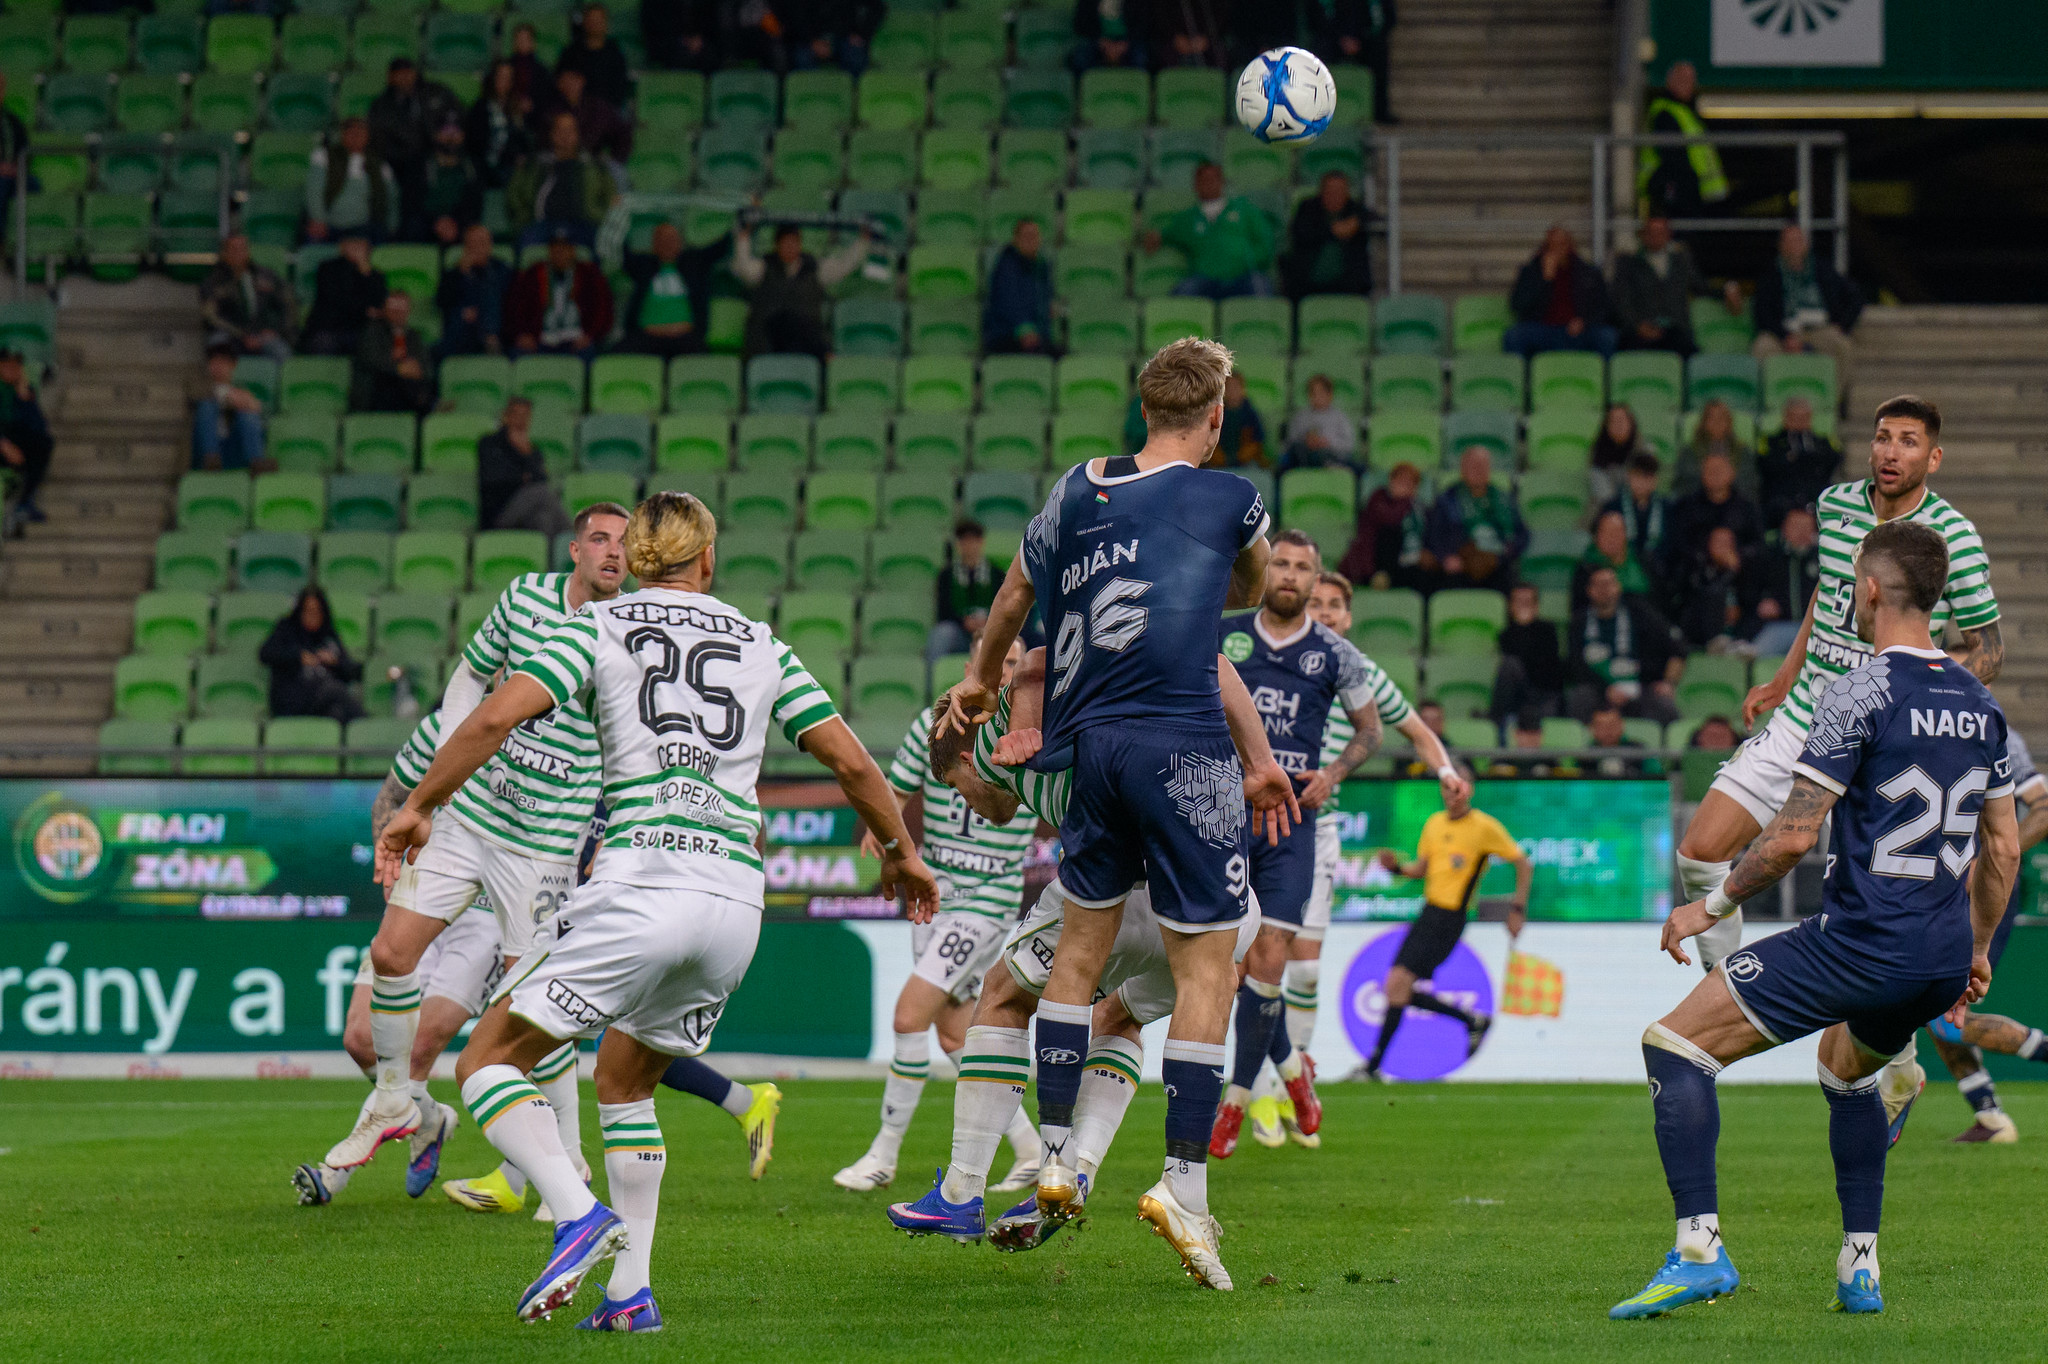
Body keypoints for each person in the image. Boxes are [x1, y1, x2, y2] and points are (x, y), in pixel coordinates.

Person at [383, 493, 938, 1330]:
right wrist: (901, 853)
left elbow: (495, 715)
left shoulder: (598, 625)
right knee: (624, 1080)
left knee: (486, 1062)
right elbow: (856, 765)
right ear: (707, 559)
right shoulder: (762, 642)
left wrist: (421, 804)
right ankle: (629, 1295)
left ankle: (576, 1213)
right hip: (735, 902)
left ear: (638, 560)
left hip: (641, 882)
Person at [937, 337, 1298, 1290]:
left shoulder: (1076, 488)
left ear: (1145, 409)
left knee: (1079, 956)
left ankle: (1056, 1157)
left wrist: (980, 680)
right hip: (1186, 746)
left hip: (1093, 747)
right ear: (1215, 418)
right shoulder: (1231, 496)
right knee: (1207, 970)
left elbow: (1013, 596)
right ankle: (1184, 1188)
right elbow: (1251, 589)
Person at [1611, 519, 2018, 1321]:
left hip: (1862, 944)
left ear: (1868, 589)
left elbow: (1793, 836)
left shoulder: (1859, 689)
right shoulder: (1982, 703)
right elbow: (2002, 848)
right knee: (1845, 1067)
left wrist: (1709, 904)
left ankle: (1700, 1253)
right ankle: (1859, 1267)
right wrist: (1974, 950)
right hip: (1938, 955)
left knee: (1675, 1046)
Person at [888, 642, 1273, 1248]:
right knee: (1119, 1017)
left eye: (960, 790)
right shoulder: (1143, 681)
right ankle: (1082, 1174)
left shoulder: (998, 739)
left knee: (1003, 995)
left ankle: (963, 1192)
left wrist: (1017, 715)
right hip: (1225, 902)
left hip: (1129, 892)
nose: (975, 808)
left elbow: (1035, 660)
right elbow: (1211, 663)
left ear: (966, 758)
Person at [319, 507, 629, 1204]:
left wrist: (608, 830)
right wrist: (455, 757)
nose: (614, 553)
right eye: (601, 539)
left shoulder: (628, 631)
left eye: (625, 544)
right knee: (391, 953)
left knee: (534, 1004)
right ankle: (394, 1100)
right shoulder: (523, 598)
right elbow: (470, 675)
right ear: (575, 549)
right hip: (471, 818)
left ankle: (570, 1160)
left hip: (545, 843)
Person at [1675, 395, 2003, 1037]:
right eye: (1883, 437)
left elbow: (1988, 648)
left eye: (1908, 441)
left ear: (1933, 457)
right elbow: (1828, 592)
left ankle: (1893, 1057)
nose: (1890, 451)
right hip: (1809, 713)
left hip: (1887, 734)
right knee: (1699, 853)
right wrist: (1784, 677)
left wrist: (1921, 695)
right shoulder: (1835, 506)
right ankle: (1727, 990)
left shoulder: (1954, 537)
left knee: (1873, 912)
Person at [1238, 568, 1459, 1147]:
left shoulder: (1360, 673)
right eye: (1318, 603)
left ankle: (1286, 1082)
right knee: (1246, 962)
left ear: (1350, 616)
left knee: (1303, 969)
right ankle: (1261, 1088)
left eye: (1336, 604)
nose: (1327, 612)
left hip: (1316, 827)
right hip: (1245, 818)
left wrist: (1445, 770)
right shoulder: (1266, 659)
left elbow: (1415, 731)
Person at [1209, 531, 1405, 1159]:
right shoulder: (1223, 635)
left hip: (1293, 822)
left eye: (1303, 568)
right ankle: (1294, 1074)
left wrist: (1335, 772)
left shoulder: (1336, 654)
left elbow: (1371, 730)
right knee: (1233, 971)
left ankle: (1234, 1104)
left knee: (1270, 963)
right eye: (1282, 564)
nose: (1291, 575)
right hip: (1224, 815)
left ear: (1316, 581)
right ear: (1265, 573)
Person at [833, 640, 1045, 1194]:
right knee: (954, 1034)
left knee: (909, 1016)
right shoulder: (934, 727)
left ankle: (883, 1155)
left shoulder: (1027, 732)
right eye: (994, 659)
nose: (1002, 669)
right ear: (973, 666)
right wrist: (884, 833)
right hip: (938, 897)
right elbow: (894, 791)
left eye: (1013, 661)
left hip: (988, 901)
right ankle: (1030, 1148)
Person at [1363, 764, 1530, 1077]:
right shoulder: (1434, 823)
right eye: (1446, 787)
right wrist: (1397, 868)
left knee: (1397, 984)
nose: (1451, 794)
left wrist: (1517, 909)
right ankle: (1471, 1021)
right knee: (1396, 986)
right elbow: (1422, 869)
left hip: (1452, 916)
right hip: (1429, 911)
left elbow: (1523, 863)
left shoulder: (1483, 827)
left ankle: (1372, 1067)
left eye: (1458, 787)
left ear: (1470, 790)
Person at [1924, 730, 2048, 1143]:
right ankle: (1989, 1117)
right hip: (1939, 884)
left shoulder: (1995, 732)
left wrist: (1989, 859)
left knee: (1943, 1017)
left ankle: (1991, 1114)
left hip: (1977, 891)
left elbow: (2044, 809)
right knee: (1937, 1011)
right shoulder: (1919, 718)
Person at [731, 221, 871, 360]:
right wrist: (743, 237)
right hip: (767, 342)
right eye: (786, 243)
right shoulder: (763, 267)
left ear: (800, 244)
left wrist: (863, 241)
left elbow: (844, 266)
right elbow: (744, 268)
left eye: (794, 243)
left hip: (806, 344)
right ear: (777, 245)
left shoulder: (814, 268)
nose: (790, 248)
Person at [1751, 225, 1861, 395]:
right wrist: (1785, 336)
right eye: (1789, 241)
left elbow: (1855, 296)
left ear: (1806, 244)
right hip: (1784, 332)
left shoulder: (1823, 269)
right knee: (1761, 347)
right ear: (1781, 246)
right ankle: (1769, 401)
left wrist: (1842, 325)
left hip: (1819, 329)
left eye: (1798, 240)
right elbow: (1762, 312)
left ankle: (1832, 400)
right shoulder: (1770, 274)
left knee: (1843, 346)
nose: (1794, 245)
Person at [1142, 162, 1276, 301]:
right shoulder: (1188, 218)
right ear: (1196, 185)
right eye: (1204, 180)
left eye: (1213, 179)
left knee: (1261, 288)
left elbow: (1265, 241)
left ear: (1222, 182)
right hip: (1204, 280)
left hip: (1242, 277)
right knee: (1182, 293)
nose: (1208, 184)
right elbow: (1166, 234)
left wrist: (1247, 260)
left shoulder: (1244, 209)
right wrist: (1155, 237)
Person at [1567, 565, 1682, 725]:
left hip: (1640, 685)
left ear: (1618, 586)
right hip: (1598, 688)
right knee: (1579, 698)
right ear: (1589, 590)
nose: (1605, 590)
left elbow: (1676, 648)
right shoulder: (1579, 622)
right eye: (1599, 585)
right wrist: (1605, 689)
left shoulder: (1640, 612)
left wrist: (1668, 683)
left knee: (1664, 706)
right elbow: (1575, 664)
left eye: (1609, 583)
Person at [367, 59, 463, 238]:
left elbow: (456, 117)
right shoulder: (382, 105)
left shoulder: (437, 93)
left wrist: (449, 135)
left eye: (408, 72)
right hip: (402, 165)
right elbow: (380, 142)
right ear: (391, 77)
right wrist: (410, 156)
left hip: (440, 157)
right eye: (400, 73)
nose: (405, 77)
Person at [617, 220, 732, 360]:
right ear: (654, 244)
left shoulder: (694, 263)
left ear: (680, 242)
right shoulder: (643, 265)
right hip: (646, 337)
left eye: (672, 239)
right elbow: (620, 251)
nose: (668, 244)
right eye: (663, 240)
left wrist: (737, 222)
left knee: (704, 362)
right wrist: (619, 216)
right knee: (615, 357)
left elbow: (721, 248)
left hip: (685, 337)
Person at [1423, 446, 1527, 593]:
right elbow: (1434, 535)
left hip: (1497, 564)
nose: (1478, 470)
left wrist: (1504, 554)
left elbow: (1522, 534)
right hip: (1460, 564)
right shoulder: (1447, 500)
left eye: (1482, 466)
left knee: (1509, 582)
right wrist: (1445, 557)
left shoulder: (1504, 499)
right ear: (1463, 469)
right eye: (1473, 465)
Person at [506, 111, 618, 248]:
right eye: (560, 130)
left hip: (584, 224)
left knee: (603, 246)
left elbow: (611, 197)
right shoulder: (535, 164)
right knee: (524, 244)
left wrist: (599, 217)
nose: (565, 135)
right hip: (543, 224)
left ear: (577, 134)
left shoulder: (594, 166)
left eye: (570, 130)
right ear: (552, 134)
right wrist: (523, 217)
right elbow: (514, 194)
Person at [1503, 225, 1615, 358]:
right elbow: (1518, 305)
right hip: (1543, 329)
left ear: (1570, 246)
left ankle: (1603, 371)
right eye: (1552, 246)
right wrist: (1544, 280)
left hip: (1579, 330)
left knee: (1606, 336)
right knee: (1514, 336)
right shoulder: (1530, 272)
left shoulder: (1589, 273)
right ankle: (1523, 372)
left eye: (1562, 244)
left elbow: (1603, 307)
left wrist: (1584, 321)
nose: (1557, 250)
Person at [1637, 61, 1728, 220]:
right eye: (1682, 80)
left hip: (1694, 193)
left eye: (1690, 81)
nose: (1688, 85)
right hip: (1675, 191)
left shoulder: (1686, 111)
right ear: (1670, 82)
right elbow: (1672, 156)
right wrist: (1688, 185)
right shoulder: (1665, 111)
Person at [260, 586, 365, 723]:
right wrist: (298, 657)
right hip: (292, 699)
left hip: (320, 702)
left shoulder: (328, 634)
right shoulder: (287, 628)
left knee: (337, 714)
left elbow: (353, 671)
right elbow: (265, 654)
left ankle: (362, 731)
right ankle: (368, 724)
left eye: (317, 612)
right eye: (308, 611)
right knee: (333, 689)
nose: (312, 616)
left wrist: (335, 662)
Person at [506, 230, 614, 360]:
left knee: (591, 355)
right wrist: (522, 334)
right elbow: (515, 307)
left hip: (576, 340)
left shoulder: (589, 274)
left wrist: (590, 336)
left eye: (564, 248)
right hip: (541, 339)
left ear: (573, 250)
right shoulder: (533, 274)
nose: (559, 253)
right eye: (555, 248)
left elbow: (604, 310)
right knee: (517, 355)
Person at [1611, 217, 1703, 357]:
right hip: (1640, 329)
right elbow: (1621, 299)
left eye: (1660, 232)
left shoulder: (1681, 262)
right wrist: (1637, 325)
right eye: (1651, 232)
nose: (1655, 236)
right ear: (1643, 235)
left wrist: (1728, 289)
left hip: (1675, 329)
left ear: (1668, 235)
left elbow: (1701, 287)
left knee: (1691, 354)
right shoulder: (1629, 263)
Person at [476, 396, 568, 535]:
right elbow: (493, 478)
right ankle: (578, 535)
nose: (520, 420)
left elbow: (542, 478)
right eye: (516, 415)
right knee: (541, 493)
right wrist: (521, 477)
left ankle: (557, 548)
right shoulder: (489, 443)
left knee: (544, 519)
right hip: (498, 513)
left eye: (525, 416)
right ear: (506, 416)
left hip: (526, 513)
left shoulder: (531, 449)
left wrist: (526, 454)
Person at [200, 234, 297, 364]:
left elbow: (287, 304)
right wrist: (243, 335)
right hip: (231, 334)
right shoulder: (213, 282)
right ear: (224, 253)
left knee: (282, 352)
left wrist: (276, 330)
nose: (239, 254)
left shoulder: (266, 276)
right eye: (234, 249)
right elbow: (212, 316)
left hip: (263, 333)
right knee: (217, 344)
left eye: (242, 249)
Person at [304, 117, 399, 243]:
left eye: (361, 131)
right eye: (351, 131)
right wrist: (318, 219)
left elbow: (392, 199)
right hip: (327, 225)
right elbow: (314, 190)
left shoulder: (380, 167)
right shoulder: (323, 156)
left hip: (362, 227)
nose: (356, 135)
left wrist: (391, 228)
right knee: (313, 239)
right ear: (342, 134)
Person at [1281, 171, 1373, 299]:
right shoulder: (1307, 208)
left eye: (1339, 191)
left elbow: (1375, 218)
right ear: (1322, 191)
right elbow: (1301, 233)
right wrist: (1332, 230)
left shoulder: (1355, 210)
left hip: (1349, 287)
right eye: (1330, 191)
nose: (1335, 195)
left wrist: (1358, 221)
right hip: (1307, 286)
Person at [1746, 505, 1821, 656]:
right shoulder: (1769, 557)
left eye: (1806, 526)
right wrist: (1762, 603)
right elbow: (1749, 592)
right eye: (1796, 526)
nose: (1801, 532)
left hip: (1816, 628)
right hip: (1778, 626)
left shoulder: (1823, 558)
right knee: (1756, 654)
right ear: (1784, 528)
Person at [1340, 460, 1427, 589]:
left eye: (1409, 484)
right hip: (1372, 563)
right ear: (1391, 481)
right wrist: (1405, 501)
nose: (1404, 487)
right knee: (1389, 535)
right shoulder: (1377, 500)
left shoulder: (1418, 509)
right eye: (1400, 481)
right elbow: (1386, 522)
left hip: (1406, 565)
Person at [1757, 396, 1843, 526]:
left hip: (1815, 501)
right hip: (1781, 503)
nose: (1799, 421)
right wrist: (1806, 460)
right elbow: (1767, 467)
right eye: (1794, 417)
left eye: (1803, 417)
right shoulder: (1770, 441)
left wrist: (1795, 459)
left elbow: (1833, 462)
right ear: (1785, 417)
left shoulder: (1823, 442)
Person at [298, 233, 389, 355]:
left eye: (360, 244)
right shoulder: (327, 269)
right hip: (330, 328)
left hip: (361, 330)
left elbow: (379, 303)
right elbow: (336, 299)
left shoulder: (375, 275)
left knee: (376, 343)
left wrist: (366, 273)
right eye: (352, 244)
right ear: (342, 246)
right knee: (323, 343)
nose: (356, 248)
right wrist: (365, 310)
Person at [1306, 0, 1396, 123]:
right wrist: (1341, 38)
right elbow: (1316, 17)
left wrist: (1360, 38)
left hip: (1364, 37)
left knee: (1379, 51)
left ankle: (1379, 110)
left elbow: (1386, 18)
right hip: (1333, 37)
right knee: (1320, 51)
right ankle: (1316, 108)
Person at [435, 223, 513, 359]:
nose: (478, 248)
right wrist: (463, 275)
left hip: (498, 331)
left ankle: (490, 340)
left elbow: (512, 302)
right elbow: (441, 301)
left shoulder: (502, 270)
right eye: (473, 244)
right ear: (465, 247)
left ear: (490, 245)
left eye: (482, 243)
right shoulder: (453, 274)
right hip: (463, 333)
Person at [1491, 581, 1565, 723]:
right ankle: (1496, 721)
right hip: (1518, 694)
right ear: (1511, 606)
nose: (1523, 607)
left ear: (1536, 606)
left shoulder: (1548, 630)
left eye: (1527, 602)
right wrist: (1521, 628)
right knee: (1509, 665)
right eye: (1519, 602)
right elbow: (1512, 669)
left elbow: (1547, 669)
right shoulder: (1506, 634)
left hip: (1544, 693)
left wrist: (1526, 628)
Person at [188, 343, 269, 472]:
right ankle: (211, 459)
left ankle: (257, 462)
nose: (218, 366)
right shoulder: (198, 387)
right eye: (214, 362)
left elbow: (256, 407)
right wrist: (229, 398)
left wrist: (245, 403)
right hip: (203, 449)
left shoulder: (242, 390)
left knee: (248, 415)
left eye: (223, 362)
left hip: (231, 448)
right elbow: (196, 395)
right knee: (207, 406)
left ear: (233, 365)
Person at [929, 519, 1002, 660]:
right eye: (964, 541)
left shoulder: (996, 574)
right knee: (941, 634)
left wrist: (988, 621)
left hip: (989, 631)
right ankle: (932, 674)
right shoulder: (946, 575)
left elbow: (1004, 606)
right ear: (958, 544)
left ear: (981, 542)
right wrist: (964, 621)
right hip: (960, 633)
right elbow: (943, 611)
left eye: (973, 540)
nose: (969, 546)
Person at [982, 219, 1056, 356]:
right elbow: (1008, 302)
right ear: (1015, 239)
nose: (1031, 240)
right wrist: (1024, 330)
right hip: (1006, 336)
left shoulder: (1042, 266)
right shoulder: (1006, 266)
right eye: (1026, 236)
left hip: (1036, 336)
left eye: (1034, 236)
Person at [352, 292, 435, 414]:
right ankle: (431, 404)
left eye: (402, 307)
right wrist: (398, 369)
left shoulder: (413, 336)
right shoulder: (373, 331)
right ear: (384, 308)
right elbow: (371, 360)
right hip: (377, 392)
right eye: (393, 307)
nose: (398, 311)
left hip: (408, 392)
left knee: (415, 385)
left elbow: (426, 367)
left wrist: (416, 370)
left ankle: (428, 404)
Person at [1674, 525, 1754, 650]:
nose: (1723, 548)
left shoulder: (1746, 570)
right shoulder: (1698, 568)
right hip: (1702, 632)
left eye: (1727, 543)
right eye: (1718, 542)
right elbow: (1702, 595)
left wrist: (1736, 572)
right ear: (1709, 544)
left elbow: (1750, 599)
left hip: (1739, 630)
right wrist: (1730, 573)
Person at [532, 67, 632, 166]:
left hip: (592, 162)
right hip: (554, 162)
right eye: (564, 80)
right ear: (558, 83)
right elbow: (542, 141)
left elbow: (622, 132)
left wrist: (615, 160)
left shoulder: (598, 108)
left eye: (573, 79)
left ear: (582, 80)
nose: (569, 84)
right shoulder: (550, 109)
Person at [0, 348, 53, 525]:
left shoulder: (21, 391)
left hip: (13, 445)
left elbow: (38, 426)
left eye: (16, 365)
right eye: (7, 365)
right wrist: (3, 444)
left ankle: (24, 503)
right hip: (3, 444)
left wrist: (24, 398)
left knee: (42, 444)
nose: (13, 369)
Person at [467, 60, 535, 190]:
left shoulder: (516, 108)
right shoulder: (481, 107)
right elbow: (477, 144)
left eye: (508, 77)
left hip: (512, 170)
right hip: (487, 170)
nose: (504, 81)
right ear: (493, 78)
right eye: (501, 76)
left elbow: (524, 141)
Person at [1572, 508, 1658, 609]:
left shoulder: (1643, 561)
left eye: (1617, 532)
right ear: (1597, 537)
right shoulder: (1586, 569)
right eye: (1607, 533)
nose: (1612, 538)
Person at [1673, 398, 1757, 500]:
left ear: (1729, 422)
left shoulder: (1743, 452)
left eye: (1721, 418)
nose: (1717, 422)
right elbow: (1682, 484)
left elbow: (1750, 483)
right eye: (1711, 418)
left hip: (1736, 505)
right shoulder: (1689, 452)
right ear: (1704, 422)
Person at [416, 118, 481, 247]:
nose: (451, 136)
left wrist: (455, 222)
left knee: (476, 233)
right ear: (436, 135)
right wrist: (437, 222)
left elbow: (475, 204)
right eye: (446, 131)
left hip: (460, 224)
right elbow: (413, 202)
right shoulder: (421, 165)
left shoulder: (471, 167)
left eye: (456, 131)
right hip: (428, 225)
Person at [555, 2, 633, 108]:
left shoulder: (615, 54)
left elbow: (619, 89)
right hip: (575, 111)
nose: (594, 24)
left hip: (607, 111)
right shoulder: (571, 53)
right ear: (584, 22)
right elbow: (561, 82)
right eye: (591, 20)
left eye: (598, 21)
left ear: (606, 23)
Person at [1281, 373, 1358, 469]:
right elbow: (1290, 442)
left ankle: (1331, 465)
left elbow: (1349, 445)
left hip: (1331, 454)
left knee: (1328, 456)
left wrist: (1326, 442)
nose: (1316, 397)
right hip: (1305, 455)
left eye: (1321, 393)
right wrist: (1307, 441)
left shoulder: (1340, 417)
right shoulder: (1300, 417)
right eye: (1313, 393)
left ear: (1330, 394)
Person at [789, 0, 882, 75]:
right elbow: (795, 14)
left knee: (855, 57)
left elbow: (878, 7)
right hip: (811, 37)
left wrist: (861, 34)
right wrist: (811, 41)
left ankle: (854, 91)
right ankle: (812, 91)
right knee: (802, 57)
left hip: (844, 37)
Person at [1589, 403, 1652, 509]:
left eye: (1622, 421)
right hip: (1607, 510)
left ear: (1631, 423)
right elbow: (1603, 496)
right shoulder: (1598, 454)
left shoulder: (1646, 451)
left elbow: (1647, 486)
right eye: (1613, 422)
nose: (1618, 426)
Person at [1070, 0, 1152, 71]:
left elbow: (1143, 24)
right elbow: (1080, 24)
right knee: (1081, 58)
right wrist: (1101, 42)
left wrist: (1124, 44)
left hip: (1129, 42)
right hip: (1098, 41)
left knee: (1141, 58)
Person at [643, 0, 722, 72]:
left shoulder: (707, 4)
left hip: (704, 49)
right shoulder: (655, 4)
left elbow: (714, 28)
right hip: (666, 49)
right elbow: (654, 32)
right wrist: (683, 41)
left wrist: (699, 42)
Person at [1586, 703, 1652, 778]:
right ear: (1592, 728)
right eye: (1601, 726)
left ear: (1621, 725)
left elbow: (1656, 777)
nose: (1607, 730)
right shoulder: (1585, 757)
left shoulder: (1639, 752)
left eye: (1612, 725)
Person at [1217, 371, 1268, 468]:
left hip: (1247, 461)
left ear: (1243, 389)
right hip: (1219, 462)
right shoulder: (1216, 413)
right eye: (1229, 388)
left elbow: (1258, 441)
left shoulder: (1251, 414)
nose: (1232, 391)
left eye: (1236, 387)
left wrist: (1245, 454)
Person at [0, 71, 26, 236]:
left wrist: (16, 168)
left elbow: (24, 151)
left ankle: (21, 243)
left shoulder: (12, 121)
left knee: (33, 185)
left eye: (1, 88)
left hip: (13, 177)